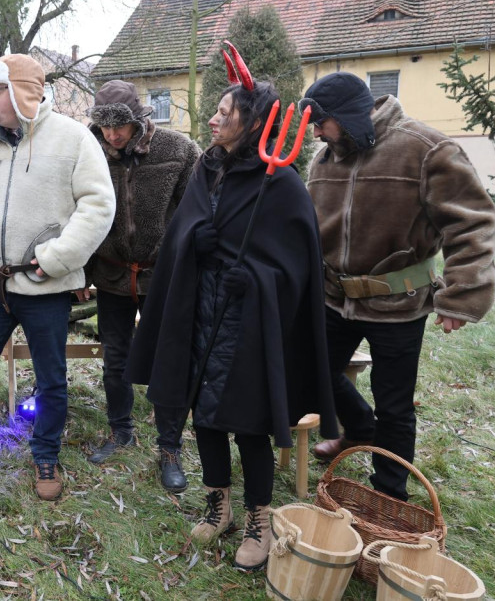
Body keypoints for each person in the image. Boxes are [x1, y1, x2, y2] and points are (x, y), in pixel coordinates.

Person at [126, 44, 337, 571]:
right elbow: (183, 230)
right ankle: (217, 502)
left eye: (227, 111)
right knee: (207, 417)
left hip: (250, 321)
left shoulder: (282, 183)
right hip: (201, 309)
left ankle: (258, 519)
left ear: (254, 122)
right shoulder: (207, 169)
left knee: (247, 422)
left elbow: (299, 267)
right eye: (217, 110)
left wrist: (260, 277)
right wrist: (193, 242)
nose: (216, 117)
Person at [301, 72, 495, 501]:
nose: (315, 131)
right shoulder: (324, 159)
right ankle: (358, 428)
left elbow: (474, 223)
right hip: (334, 298)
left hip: (399, 304)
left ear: (350, 116)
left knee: (394, 406)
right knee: (311, 371)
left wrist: (461, 294)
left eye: (321, 121)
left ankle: (388, 494)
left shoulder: (426, 149)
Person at [0, 53, 115, 501]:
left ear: (21, 93)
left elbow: (98, 206)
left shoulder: (73, 139)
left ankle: (46, 455)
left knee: (51, 379)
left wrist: (56, 259)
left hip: (45, 288)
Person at [79, 80, 200, 494]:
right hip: (110, 273)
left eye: (121, 126)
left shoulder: (178, 150)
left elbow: (197, 213)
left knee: (168, 361)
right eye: (105, 127)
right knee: (115, 358)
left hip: (161, 276)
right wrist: (80, 271)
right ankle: (121, 430)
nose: (113, 135)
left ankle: (170, 447)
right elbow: (75, 210)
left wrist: (186, 268)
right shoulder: (87, 149)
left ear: (139, 120)